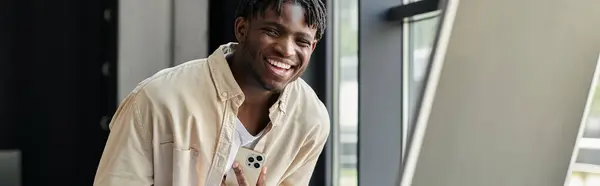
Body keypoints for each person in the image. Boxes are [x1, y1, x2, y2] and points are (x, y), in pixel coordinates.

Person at [93, 0, 329, 185]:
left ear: (313, 47)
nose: (286, 50)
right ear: (241, 29)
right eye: (273, 31)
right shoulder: (156, 100)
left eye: (302, 41)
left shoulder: (310, 120)